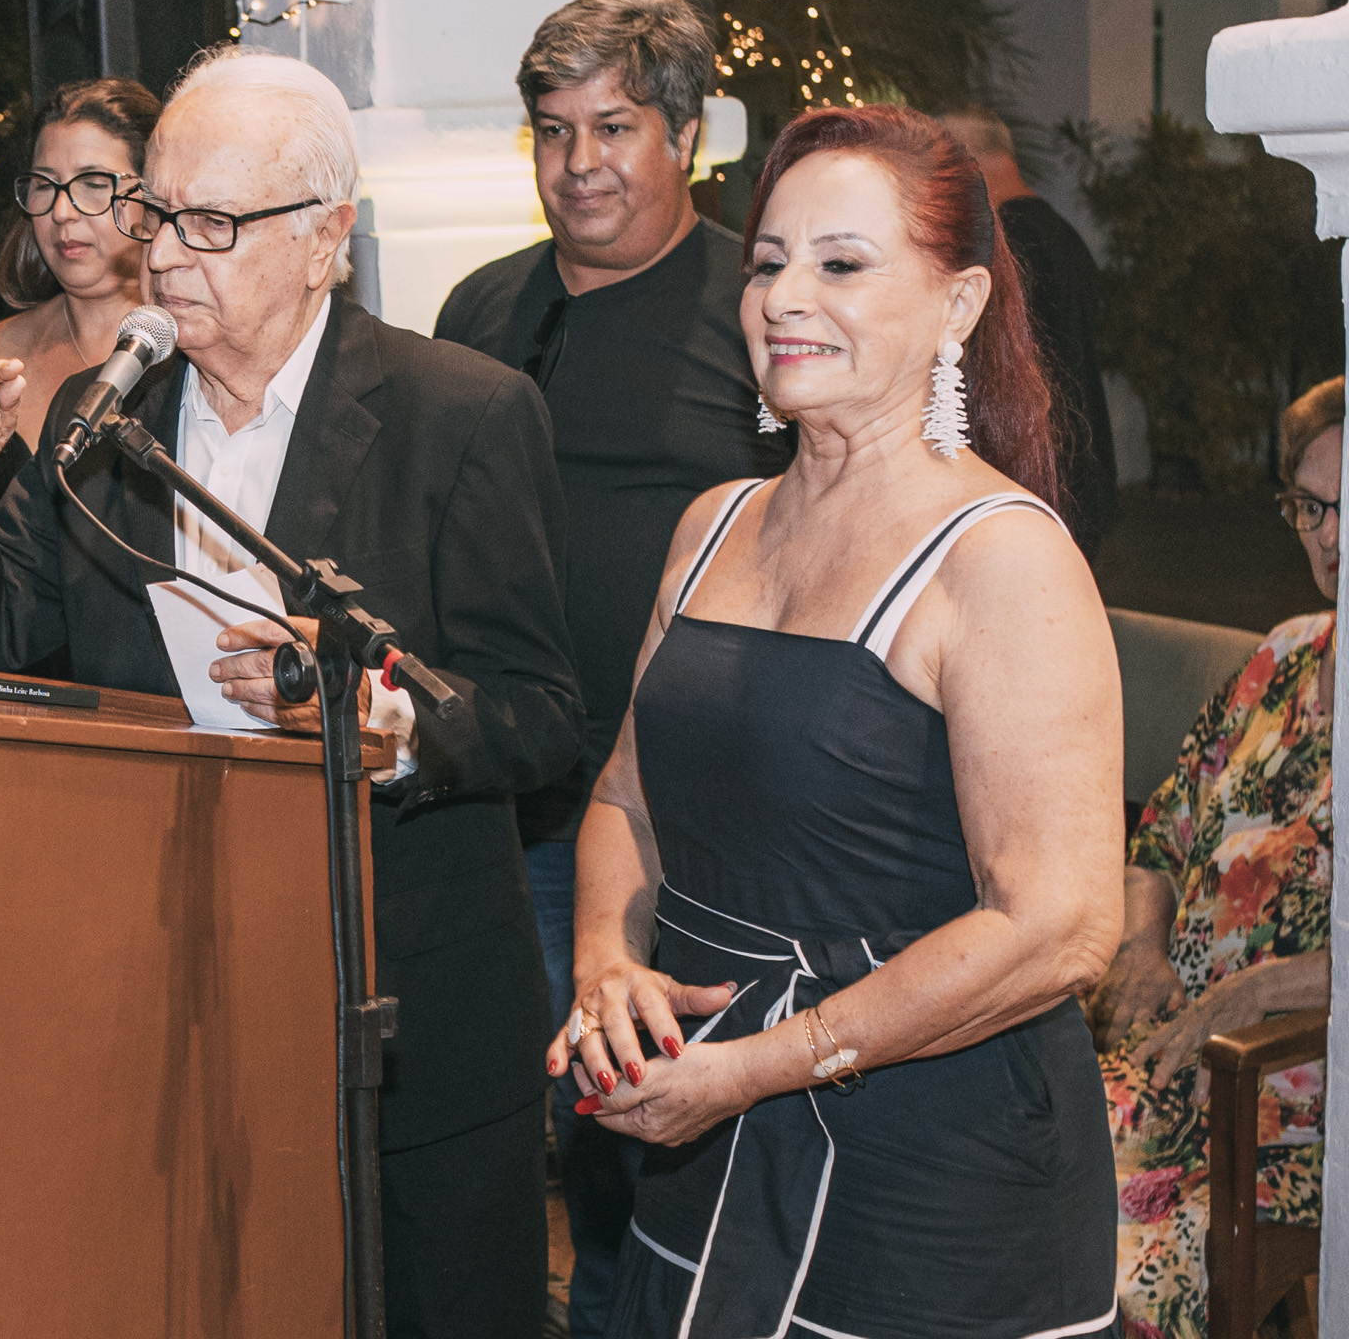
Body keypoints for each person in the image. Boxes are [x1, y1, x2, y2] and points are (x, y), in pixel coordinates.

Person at [0, 47, 587, 1338]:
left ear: (326, 237)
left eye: (210, 222)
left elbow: (543, 714)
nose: (163, 254)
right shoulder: (105, 421)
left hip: (411, 1011)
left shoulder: (460, 414)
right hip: (177, 999)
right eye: (156, 212)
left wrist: (379, 726)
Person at [555, 104, 1122, 1338]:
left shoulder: (1001, 559)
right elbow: (623, 798)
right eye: (767, 261)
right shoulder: (711, 525)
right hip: (703, 1134)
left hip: (930, 1185)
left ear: (960, 305)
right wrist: (607, 962)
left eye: (842, 263)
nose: (784, 297)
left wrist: (760, 1065)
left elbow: (1060, 925)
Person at [432, 0, 789, 1336]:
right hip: (510, 803)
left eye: (615, 127)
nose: (578, 162)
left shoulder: (759, 309)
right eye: (553, 130)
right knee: (546, 1136)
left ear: (686, 136)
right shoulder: (482, 308)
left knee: (665, 1154)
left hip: (687, 821)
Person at [1093, 375, 1339, 1339]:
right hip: (1169, 1055)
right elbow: (1158, 839)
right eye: (1311, 507)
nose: (1330, 536)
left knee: (1120, 1268)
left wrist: (1259, 993)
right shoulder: (1279, 659)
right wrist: (1142, 946)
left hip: (1290, 1104)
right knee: (995, 1175)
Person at [937, 106, 1121, 557]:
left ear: (966, 163)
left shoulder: (1008, 247)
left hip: (1036, 480)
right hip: (1074, 475)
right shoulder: (1060, 234)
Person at [0, 77, 159, 495]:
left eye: (94, 184)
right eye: (44, 186)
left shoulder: (199, 349)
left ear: (153, 195)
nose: (62, 211)